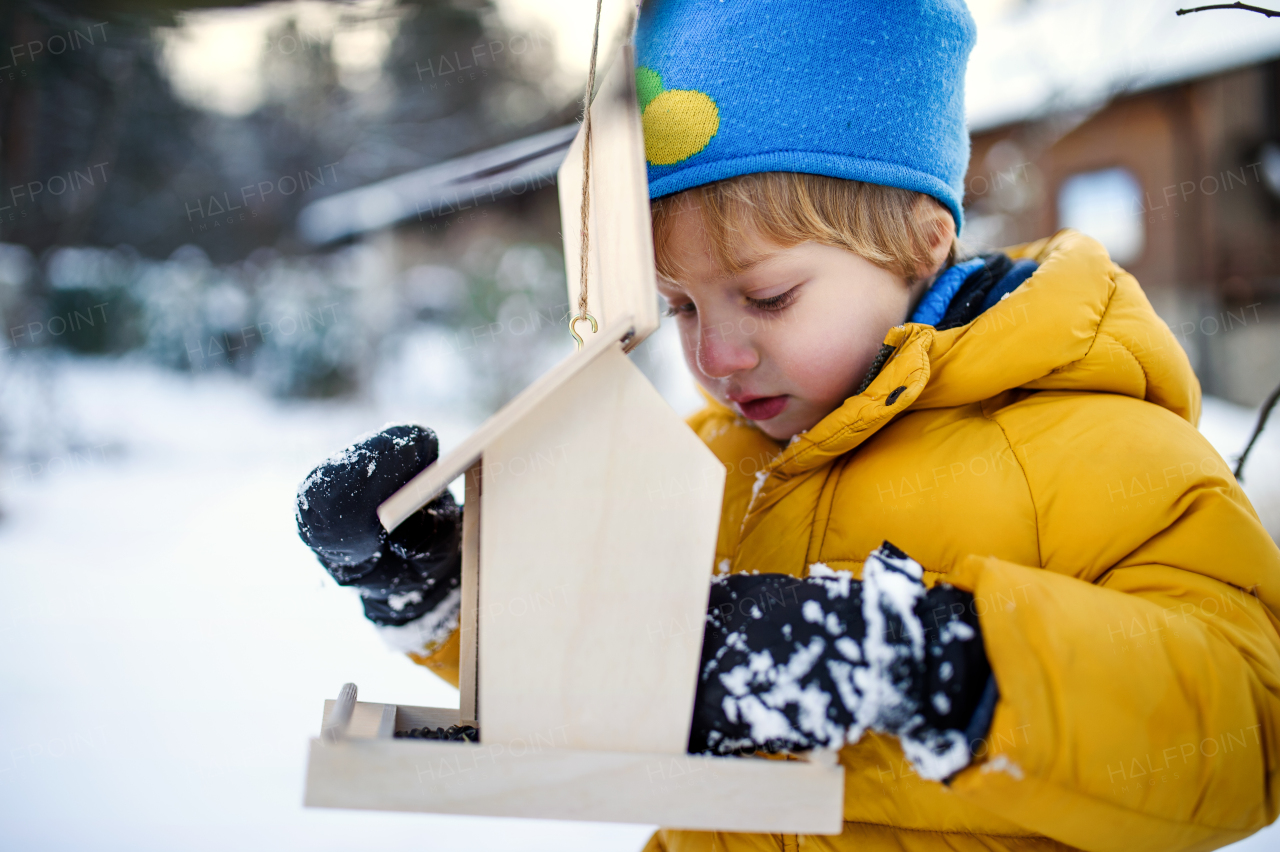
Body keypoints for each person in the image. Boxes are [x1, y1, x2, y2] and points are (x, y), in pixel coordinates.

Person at [296, 1, 1280, 849]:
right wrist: (446, 592)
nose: (714, 358)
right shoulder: (701, 467)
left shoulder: (1087, 443)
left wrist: (923, 663)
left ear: (921, 246)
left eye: (765, 298)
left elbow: (1246, 720)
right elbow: (598, 672)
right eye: (678, 308)